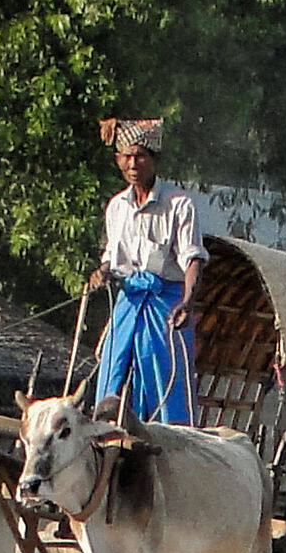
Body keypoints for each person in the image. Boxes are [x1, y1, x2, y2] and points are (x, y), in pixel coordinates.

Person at [84, 116, 200, 423]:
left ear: (155, 159)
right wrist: (102, 272)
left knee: (164, 375)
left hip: (166, 303)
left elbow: (192, 258)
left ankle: (172, 434)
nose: (133, 163)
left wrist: (187, 301)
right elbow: (113, 257)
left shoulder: (179, 204)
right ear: (118, 160)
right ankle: (104, 428)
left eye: (140, 156)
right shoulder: (116, 206)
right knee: (111, 367)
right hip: (129, 299)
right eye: (126, 156)